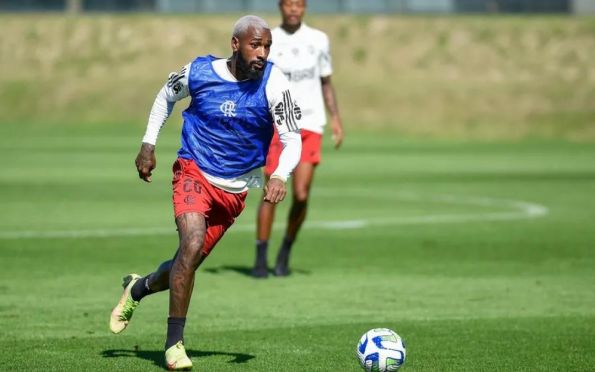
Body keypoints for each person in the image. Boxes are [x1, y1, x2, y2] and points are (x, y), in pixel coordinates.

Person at [108, 15, 302, 370]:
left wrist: (280, 175)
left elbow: (292, 139)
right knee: (192, 242)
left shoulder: (275, 82)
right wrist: (148, 145)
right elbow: (165, 95)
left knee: (187, 261)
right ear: (235, 44)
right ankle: (174, 345)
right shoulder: (199, 72)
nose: (262, 53)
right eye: (255, 45)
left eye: (267, 46)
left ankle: (138, 288)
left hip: (235, 190)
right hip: (193, 169)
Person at [251, 0, 344, 278]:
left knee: (301, 194)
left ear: (305, 8)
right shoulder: (269, 39)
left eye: (299, 4)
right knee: (272, 191)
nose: (294, 9)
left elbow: (326, 82)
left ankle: (285, 251)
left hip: (311, 124)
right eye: (289, 3)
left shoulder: (319, 40)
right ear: (281, 6)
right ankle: (260, 257)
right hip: (277, 124)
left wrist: (336, 118)